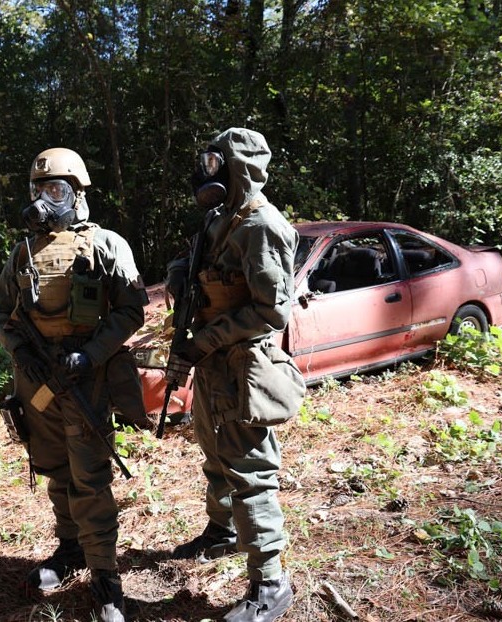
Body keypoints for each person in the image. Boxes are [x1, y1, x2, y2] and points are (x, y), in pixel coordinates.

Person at [0, 147, 147, 622]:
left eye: (56, 190)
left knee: (90, 480)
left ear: (77, 195)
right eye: (40, 190)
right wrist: (19, 352)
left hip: (86, 384)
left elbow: (130, 310)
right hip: (38, 386)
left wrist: (91, 354)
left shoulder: (105, 244)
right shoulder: (22, 253)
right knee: (56, 471)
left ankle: (105, 577)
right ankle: (71, 548)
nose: (46, 200)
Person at [166, 128, 306, 622]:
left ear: (238, 167)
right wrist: (181, 272)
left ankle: (271, 583)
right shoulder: (218, 220)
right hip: (213, 366)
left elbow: (272, 312)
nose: (207, 173)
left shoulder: (261, 225)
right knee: (214, 455)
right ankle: (222, 532)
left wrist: (202, 341)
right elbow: (194, 266)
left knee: (250, 472)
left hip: (244, 368)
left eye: (216, 163)